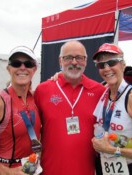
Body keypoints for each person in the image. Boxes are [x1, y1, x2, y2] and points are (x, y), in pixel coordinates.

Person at [34, 40, 105, 175]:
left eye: (79, 57)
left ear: (85, 60)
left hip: (85, 170)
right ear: (60, 61)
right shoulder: (42, 90)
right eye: (68, 58)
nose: (74, 62)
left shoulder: (99, 91)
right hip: (50, 170)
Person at [91, 43, 132, 175]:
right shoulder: (103, 90)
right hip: (103, 167)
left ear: (123, 65)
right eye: (101, 65)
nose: (106, 68)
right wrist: (59, 76)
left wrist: (113, 150)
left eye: (112, 62)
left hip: (128, 168)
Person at [0, 46, 41, 175]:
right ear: (9, 69)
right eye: (16, 63)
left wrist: (58, 77)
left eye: (28, 64)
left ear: (34, 69)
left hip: (33, 168)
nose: (22, 67)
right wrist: (6, 172)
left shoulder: (37, 97)